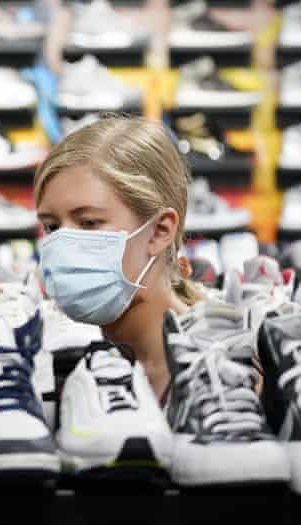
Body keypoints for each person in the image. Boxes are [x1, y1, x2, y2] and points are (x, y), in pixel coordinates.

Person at [34, 116, 197, 400]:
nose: (63, 244)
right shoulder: (53, 367)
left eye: (89, 223)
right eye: (51, 226)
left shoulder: (226, 373)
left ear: (159, 231)